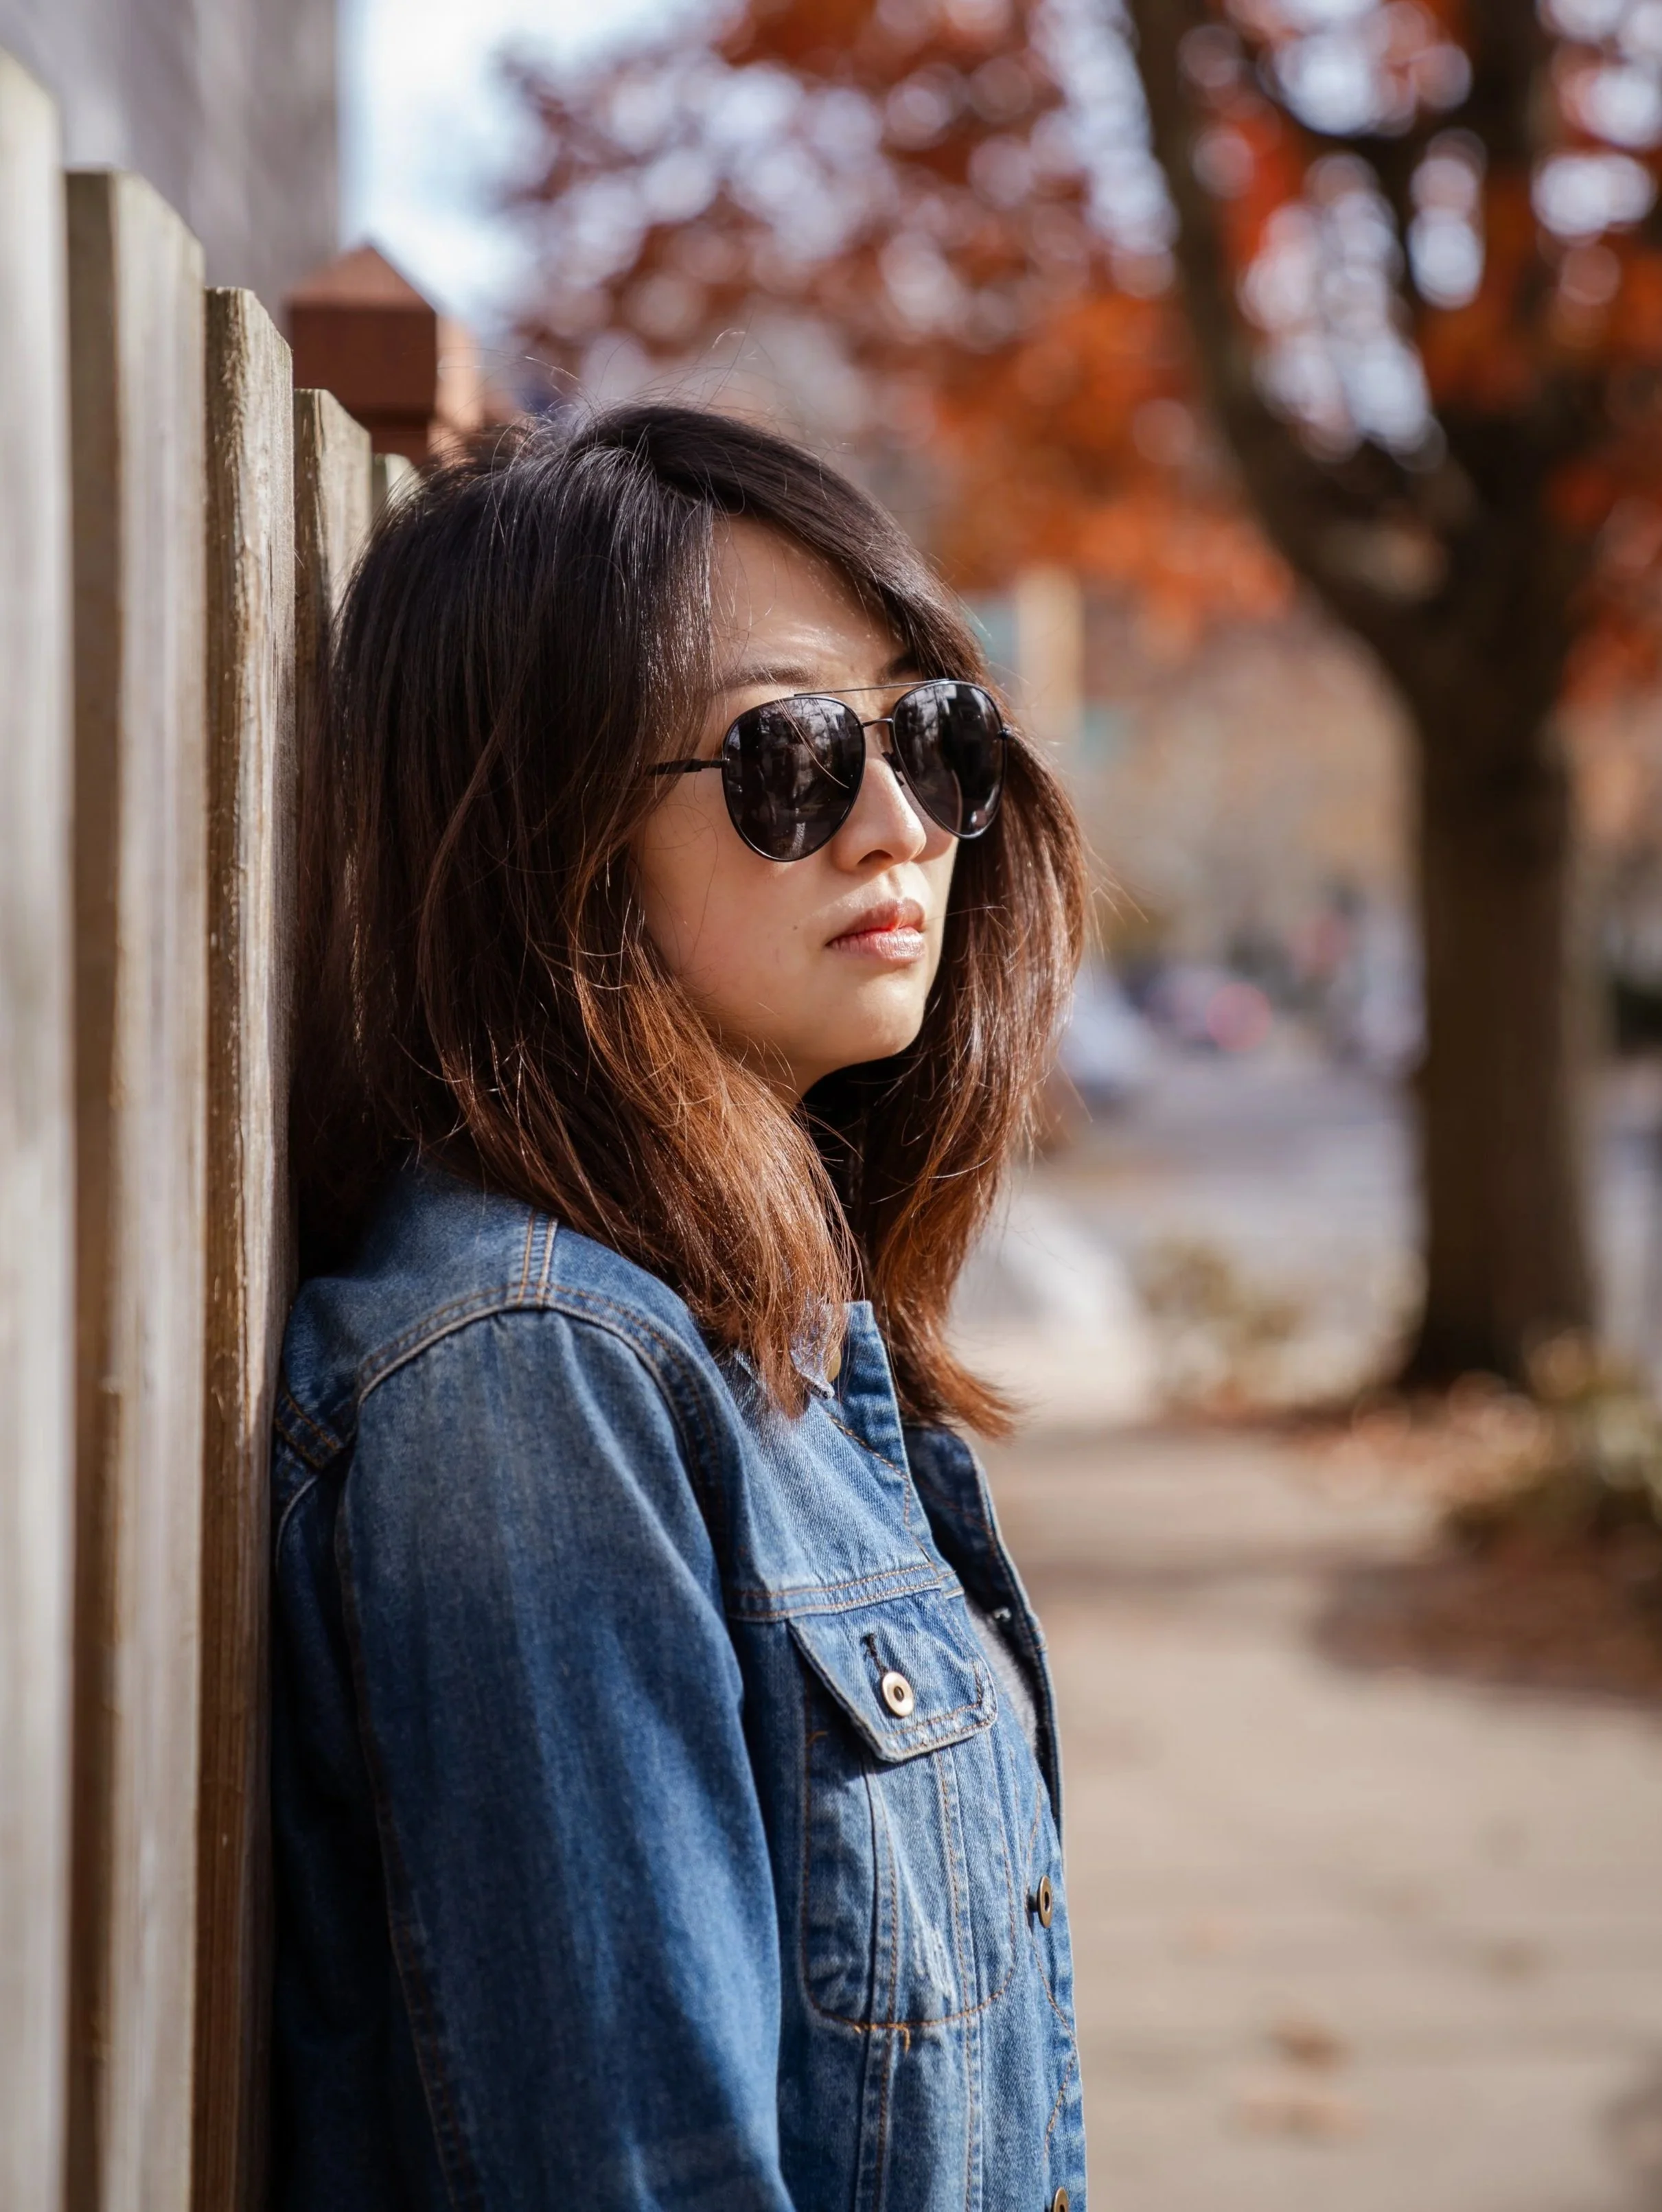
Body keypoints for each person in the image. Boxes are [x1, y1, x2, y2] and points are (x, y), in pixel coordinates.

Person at [273, 402, 1089, 2211]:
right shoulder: (535, 1380)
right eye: (784, 754)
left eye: (928, 733)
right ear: (550, 835)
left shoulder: (769, 1322)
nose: (896, 823)